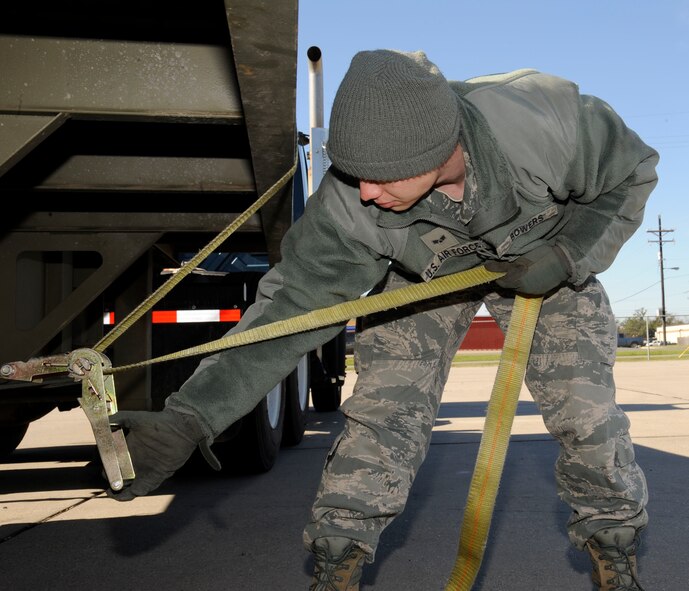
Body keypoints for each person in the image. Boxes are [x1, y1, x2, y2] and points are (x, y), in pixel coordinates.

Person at [107, 50, 659, 591]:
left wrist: (568, 254)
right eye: (356, 176)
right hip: (424, 278)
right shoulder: (351, 205)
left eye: (381, 177)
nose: (366, 191)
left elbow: (630, 174)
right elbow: (289, 310)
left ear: (440, 151)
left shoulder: (542, 123)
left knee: (586, 412)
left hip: (543, 265)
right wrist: (190, 418)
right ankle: (339, 562)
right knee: (384, 412)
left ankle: (615, 553)